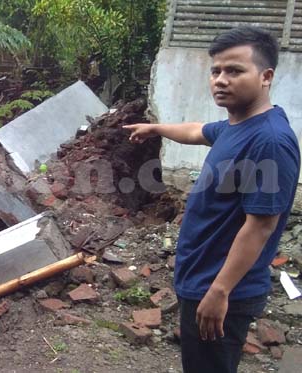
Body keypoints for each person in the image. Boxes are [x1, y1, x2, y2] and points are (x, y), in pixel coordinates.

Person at [123, 26, 300, 373]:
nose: (220, 79)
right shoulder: (238, 126)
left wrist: (220, 291)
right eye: (216, 71)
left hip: (221, 288)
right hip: (202, 278)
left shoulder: (269, 141)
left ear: (266, 76)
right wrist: (156, 128)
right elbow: (197, 130)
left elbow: (261, 227)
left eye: (234, 71)